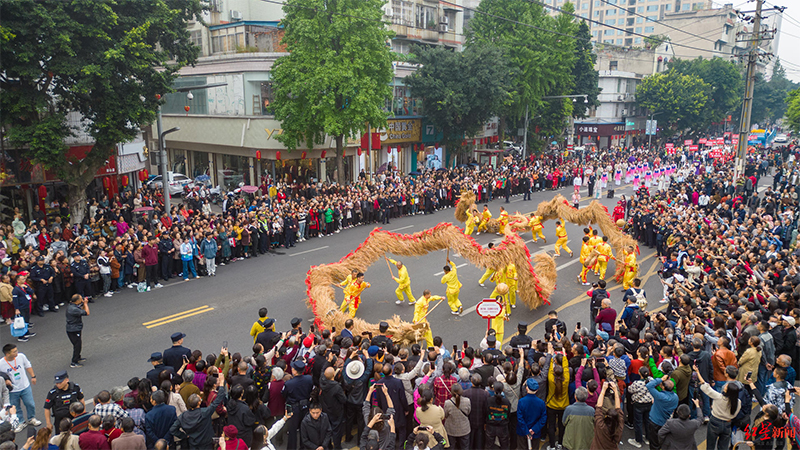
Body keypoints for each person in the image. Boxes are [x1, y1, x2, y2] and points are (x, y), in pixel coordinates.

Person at [170, 374, 227, 449]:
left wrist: (184, 436)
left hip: (193, 444)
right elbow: (217, 400)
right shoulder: (204, 412)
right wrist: (222, 384)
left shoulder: (183, 416)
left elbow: (173, 429)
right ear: (199, 403)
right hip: (206, 443)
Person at [1, 344, 39, 432]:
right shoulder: (1, 363)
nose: (16, 353)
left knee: (30, 404)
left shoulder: (21, 357)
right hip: (12, 390)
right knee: (15, 407)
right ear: (7, 354)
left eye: (16, 350)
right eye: (14, 352)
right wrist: (6, 379)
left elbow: (28, 365)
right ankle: (21, 422)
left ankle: (31, 418)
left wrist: (33, 376)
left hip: (25, 386)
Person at [646, 376, 678, 450]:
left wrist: (661, 379)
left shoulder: (660, 396)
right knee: (663, 440)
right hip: (666, 422)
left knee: (654, 442)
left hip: (655, 422)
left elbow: (649, 385)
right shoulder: (675, 397)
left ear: (663, 387)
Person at [590, 381, 624, 450]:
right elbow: (618, 408)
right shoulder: (619, 426)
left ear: (605, 416)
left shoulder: (600, 425)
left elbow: (599, 407)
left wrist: (603, 390)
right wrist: (615, 390)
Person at [516, 378, 546, 450]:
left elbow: (520, 418)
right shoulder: (541, 403)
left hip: (522, 432)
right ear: (537, 390)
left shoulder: (521, 401)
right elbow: (543, 418)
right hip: (535, 433)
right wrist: (534, 429)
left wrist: (526, 431)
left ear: (526, 388)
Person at [443, 383, 470, 450]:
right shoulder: (467, 401)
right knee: (465, 447)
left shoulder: (447, 403)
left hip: (451, 429)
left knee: (451, 446)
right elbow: (468, 412)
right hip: (464, 428)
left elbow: (445, 415)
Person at [65, 294, 89, 368]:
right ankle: (74, 362)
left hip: (75, 328)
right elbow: (86, 313)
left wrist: (83, 304)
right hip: (73, 330)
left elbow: (81, 309)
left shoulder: (72, 306)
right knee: (77, 345)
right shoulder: (73, 309)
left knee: (78, 343)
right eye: (81, 299)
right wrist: (85, 304)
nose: (82, 300)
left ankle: (78, 357)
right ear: (77, 301)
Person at [12, 273, 37, 342]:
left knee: (26, 319)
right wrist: (16, 309)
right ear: (18, 280)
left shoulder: (24, 286)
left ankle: (26, 332)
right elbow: (15, 300)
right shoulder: (16, 289)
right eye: (22, 279)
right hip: (21, 307)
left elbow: (31, 292)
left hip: (26, 305)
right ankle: (20, 336)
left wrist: (27, 287)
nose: (24, 280)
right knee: (22, 321)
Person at [486, 381, 510, 450]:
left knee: (489, 446)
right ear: (503, 390)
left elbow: (486, 412)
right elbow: (508, 414)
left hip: (491, 426)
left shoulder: (489, 400)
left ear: (494, 389)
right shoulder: (506, 402)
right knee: (504, 446)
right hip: (503, 426)